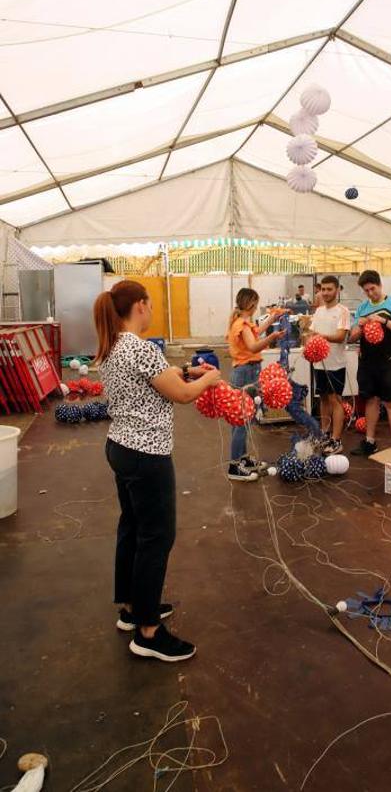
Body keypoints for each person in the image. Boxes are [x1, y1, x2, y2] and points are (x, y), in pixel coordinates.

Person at [94, 280, 222, 662]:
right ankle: (149, 633)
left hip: (121, 447)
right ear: (141, 305)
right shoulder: (140, 347)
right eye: (150, 304)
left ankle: (133, 608)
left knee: (133, 528)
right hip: (146, 454)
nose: (151, 310)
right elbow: (181, 394)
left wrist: (187, 369)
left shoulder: (113, 344)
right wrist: (210, 377)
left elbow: (156, 378)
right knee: (156, 537)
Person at [348, 270, 391, 456]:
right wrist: (360, 325)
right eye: (366, 291)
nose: (370, 293)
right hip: (367, 362)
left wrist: (383, 320)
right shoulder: (362, 308)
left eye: (372, 289)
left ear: (379, 285)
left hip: (389, 360)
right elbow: (352, 337)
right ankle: (370, 441)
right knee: (371, 400)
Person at [227, 288, 285, 481]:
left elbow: (256, 333)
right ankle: (234, 466)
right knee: (242, 421)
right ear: (251, 304)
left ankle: (242, 459)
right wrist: (272, 338)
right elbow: (253, 346)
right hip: (245, 372)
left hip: (245, 371)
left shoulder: (242, 323)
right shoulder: (242, 324)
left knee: (243, 420)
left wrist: (272, 318)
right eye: (256, 303)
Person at [309, 275, 351, 454]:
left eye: (329, 289)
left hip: (336, 365)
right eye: (323, 289)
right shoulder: (318, 311)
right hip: (319, 364)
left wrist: (321, 337)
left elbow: (341, 336)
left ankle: (336, 440)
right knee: (323, 398)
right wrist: (310, 345)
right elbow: (311, 334)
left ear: (337, 290)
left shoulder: (343, 311)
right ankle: (325, 434)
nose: (325, 293)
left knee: (336, 400)